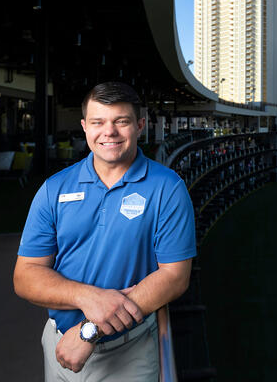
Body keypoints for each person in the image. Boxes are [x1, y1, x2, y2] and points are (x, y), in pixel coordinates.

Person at [13, 82, 197, 381]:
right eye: (98, 122)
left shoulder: (168, 187)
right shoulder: (54, 189)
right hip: (58, 344)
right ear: (85, 127)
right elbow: (25, 276)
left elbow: (175, 277)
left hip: (128, 352)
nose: (108, 132)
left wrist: (88, 331)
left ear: (139, 125)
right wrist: (89, 297)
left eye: (120, 122)